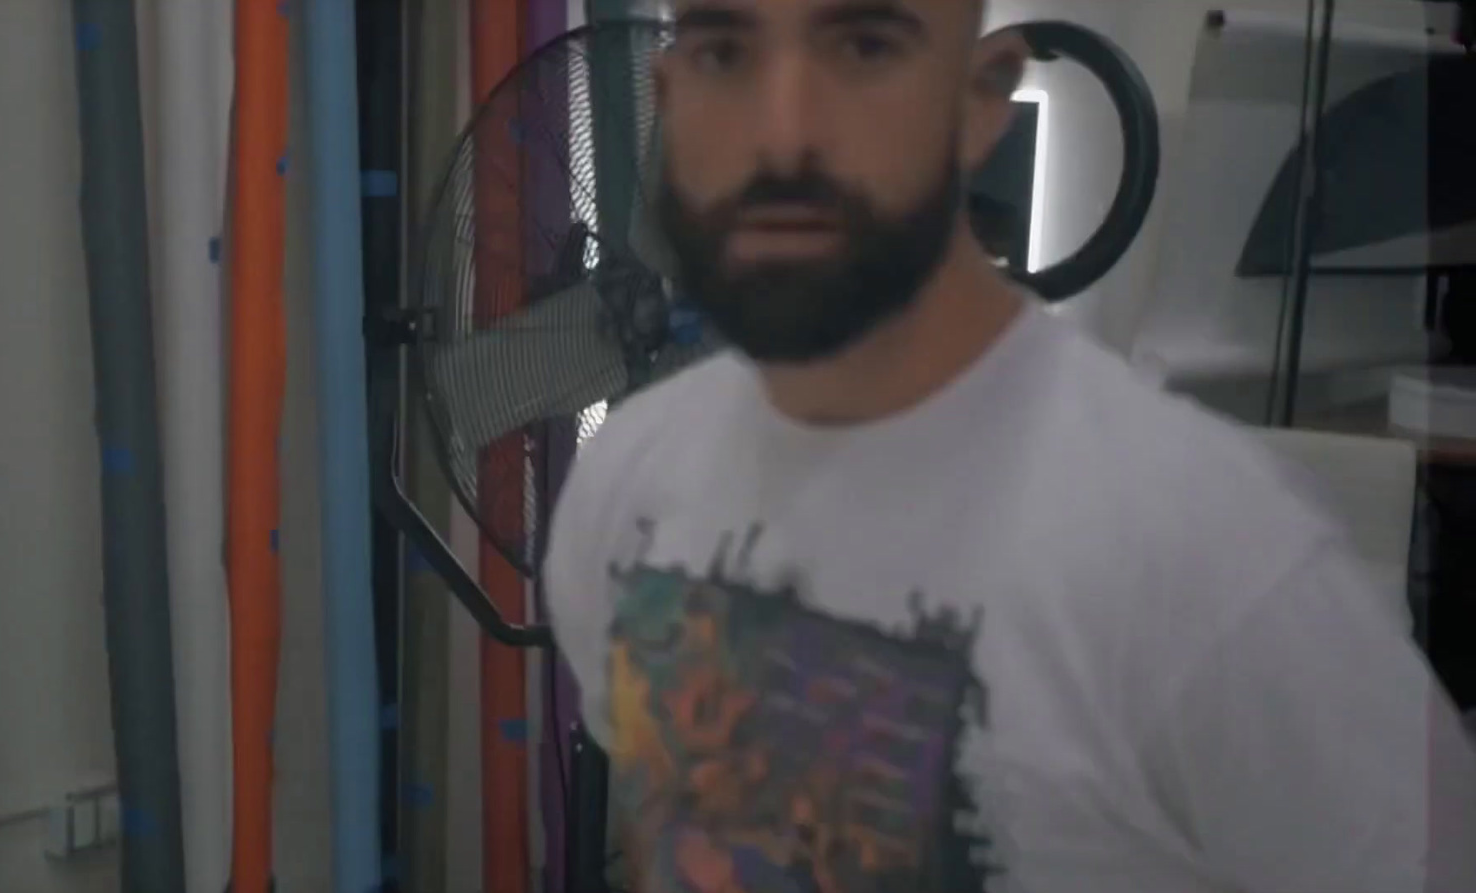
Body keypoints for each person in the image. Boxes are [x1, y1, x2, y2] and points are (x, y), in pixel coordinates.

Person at [542, 1, 1476, 891]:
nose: (784, 133)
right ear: (667, 98)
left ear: (980, 100)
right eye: (724, 52)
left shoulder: (1220, 560)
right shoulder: (626, 484)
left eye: (865, 47)